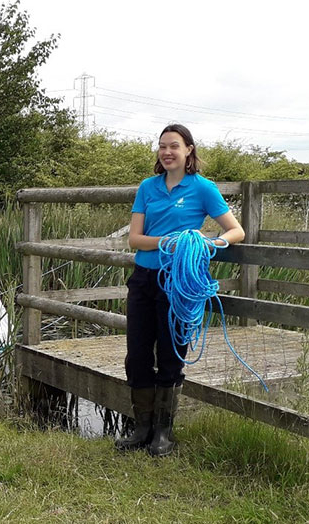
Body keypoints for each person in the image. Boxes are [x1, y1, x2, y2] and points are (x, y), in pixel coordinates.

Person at [115, 124, 244, 456]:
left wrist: (209, 242)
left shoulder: (202, 188)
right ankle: (141, 428)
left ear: (189, 150)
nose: (167, 152)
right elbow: (135, 239)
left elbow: (235, 231)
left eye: (174, 146)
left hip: (180, 283)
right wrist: (170, 240)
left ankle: (163, 433)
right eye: (162, 146)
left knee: (171, 356)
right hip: (144, 279)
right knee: (138, 354)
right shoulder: (148, 187)